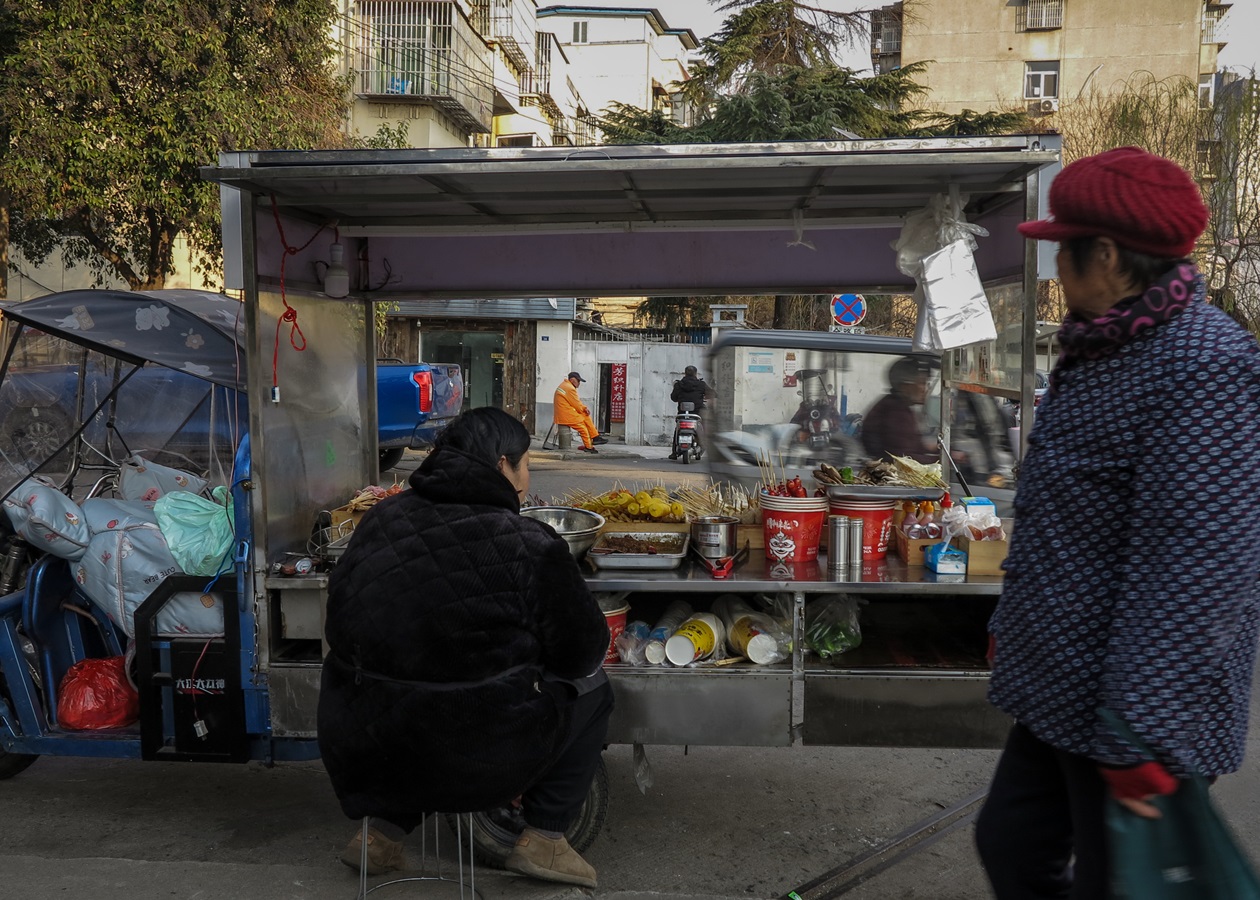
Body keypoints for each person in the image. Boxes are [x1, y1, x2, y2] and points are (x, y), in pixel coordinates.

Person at [975, 146, 1260, 899]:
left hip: (1130, 707)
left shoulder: (1203, 363)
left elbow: (1201, 564)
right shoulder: (1105, 342)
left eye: (1060, 252)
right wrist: (1018, 622)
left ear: (1104, 254)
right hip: (1063, 686)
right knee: (1011, 844)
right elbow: (1068, 515)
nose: (1054, 272)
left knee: (1119, 882)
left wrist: (1145, 732)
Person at [317, 407, 614, 889]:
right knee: (592, 687)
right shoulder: (530, 542)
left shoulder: (382, 518)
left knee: (410, 696)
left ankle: (380, 835)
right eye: (525, 464)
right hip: (476, 757)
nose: (528, 478)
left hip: (363, 746)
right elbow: (582, 653)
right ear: (501, 465)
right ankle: (545, 838)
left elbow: (339, 623)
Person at [860, 356, 938, 463]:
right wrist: (941, 460)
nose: (925, 389)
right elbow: (904, 458)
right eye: (922, 383)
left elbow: (913, 446)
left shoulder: (899, 406)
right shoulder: (895, 413)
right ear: (905, 386)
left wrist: (938, 449)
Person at [554, 371, 606, 454]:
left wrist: (584, 409)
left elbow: (576, 403)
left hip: (565, 412)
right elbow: (576, 404)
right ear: (572, 380)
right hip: (565, 415)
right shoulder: (570, 388)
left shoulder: (565, 385)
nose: (579, 383)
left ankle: (595, 437)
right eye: (578, 381)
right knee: (582, 428)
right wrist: (583, 409)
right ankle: (589, 447)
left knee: (585, 415)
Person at [669, 366, 713, 459]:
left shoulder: (678, 384)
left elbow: (673, 398)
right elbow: (713, 394)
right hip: (697, 413)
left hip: (683, 413)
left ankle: (674, 452)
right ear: (696, 374)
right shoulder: (701, 384)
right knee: (705, 424)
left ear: (685, 373)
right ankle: (703, 443)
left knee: (677, 428)